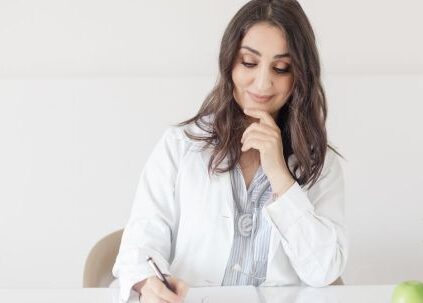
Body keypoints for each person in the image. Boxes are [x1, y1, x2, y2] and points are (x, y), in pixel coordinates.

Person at [112, 0, 348, 302]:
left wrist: (280, 176)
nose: (263, 82)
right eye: (249, 63)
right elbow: (140, 245)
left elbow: (324, 270)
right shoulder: (180, 146)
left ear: (300, 75)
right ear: (229, 63)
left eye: (281, 68)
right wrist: (148, 282)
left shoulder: (321, 165)